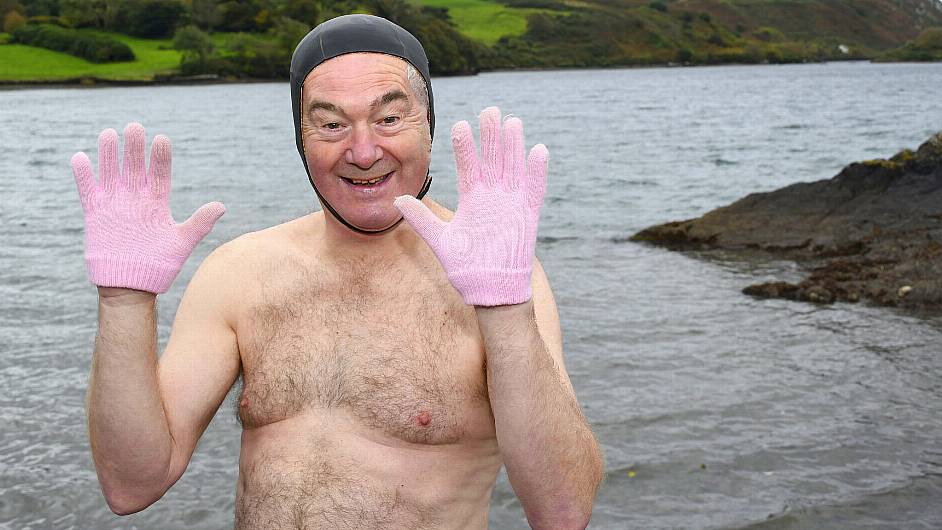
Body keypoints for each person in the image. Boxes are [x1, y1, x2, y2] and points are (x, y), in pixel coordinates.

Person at [73, 14, 603, 530]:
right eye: (331, 124)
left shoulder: (500, 277)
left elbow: (562, 513)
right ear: (301, 139)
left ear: (429, 126)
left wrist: (504, 307)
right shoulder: (241, 271)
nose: (364, 151)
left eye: (390, 118)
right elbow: (131, 485)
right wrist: (125, 297)